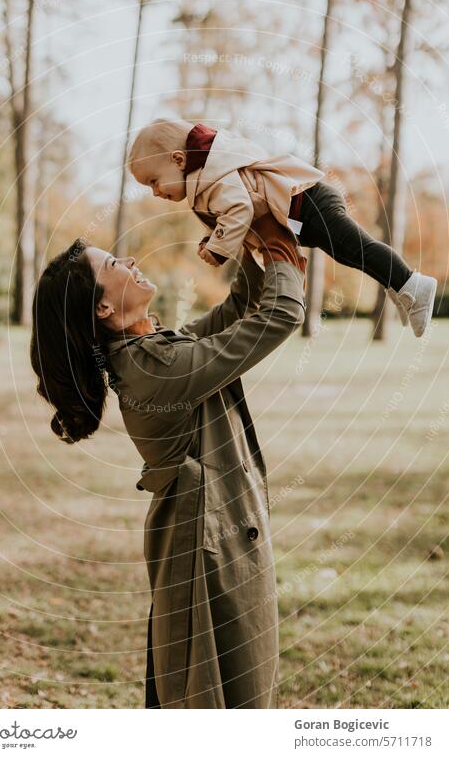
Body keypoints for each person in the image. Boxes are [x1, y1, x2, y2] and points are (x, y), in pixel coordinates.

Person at [29, 216, 305, 708]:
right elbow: (278, 317)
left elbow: (240, 308)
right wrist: (281, 249)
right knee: (219, 697)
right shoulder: (154, 369)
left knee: (223, 689)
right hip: (206, 546)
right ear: (103, 306)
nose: (130, 261)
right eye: (114, 264)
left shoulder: (151, 352)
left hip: (211, 533)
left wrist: (245, 240)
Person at [128, 118, 437, 337]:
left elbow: (239, 208)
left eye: (154, 181)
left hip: (309, 201)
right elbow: (238, 214)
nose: (154, 191)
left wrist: (218, 248)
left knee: (354, 246)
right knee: (348, 253)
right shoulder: (205, 179)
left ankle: (412, 284)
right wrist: (215, 236)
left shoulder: (212, 175)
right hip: (301, 213)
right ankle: (400, 288)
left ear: (179, 159)